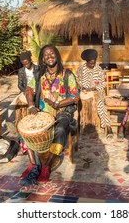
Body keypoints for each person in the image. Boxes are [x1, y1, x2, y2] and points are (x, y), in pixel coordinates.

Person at [19, 44, 79, 186]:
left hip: (63, 113)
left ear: (57, 55)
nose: (49, 57)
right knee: (23, 130)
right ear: (42, 59)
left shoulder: (67, 74)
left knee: (60, 130)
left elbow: (75, 97)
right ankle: (33, 165)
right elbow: (28, 90)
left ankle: (47, 166)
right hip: (43, 113)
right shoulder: (39, 75)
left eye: (51, 53)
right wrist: (31, 105)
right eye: (45, 55)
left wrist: (58, 104)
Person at [76, 49, 114, 138]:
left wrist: (94, 89)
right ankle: (79, 126)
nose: (92, 65)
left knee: (101, 106)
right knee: (77, 105)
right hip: (84, 93)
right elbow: (77, 81)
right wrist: (82, 88)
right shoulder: (81, 69)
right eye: (90, 63)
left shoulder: (99, 69)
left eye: (94, 63)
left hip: (97, 93)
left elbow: (102, 84)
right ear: (86, 61)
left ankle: (108, 127)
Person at [15, 51, 38, 153]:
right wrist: (25, 91)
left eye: (27, 63)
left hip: (36, 90)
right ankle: (23, 139)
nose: (26, 65)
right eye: (24, 64)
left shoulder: (38, 68)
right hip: (26, 92)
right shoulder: (21, 71)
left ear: (30, 60)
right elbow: (19, 85)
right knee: (18, 104)